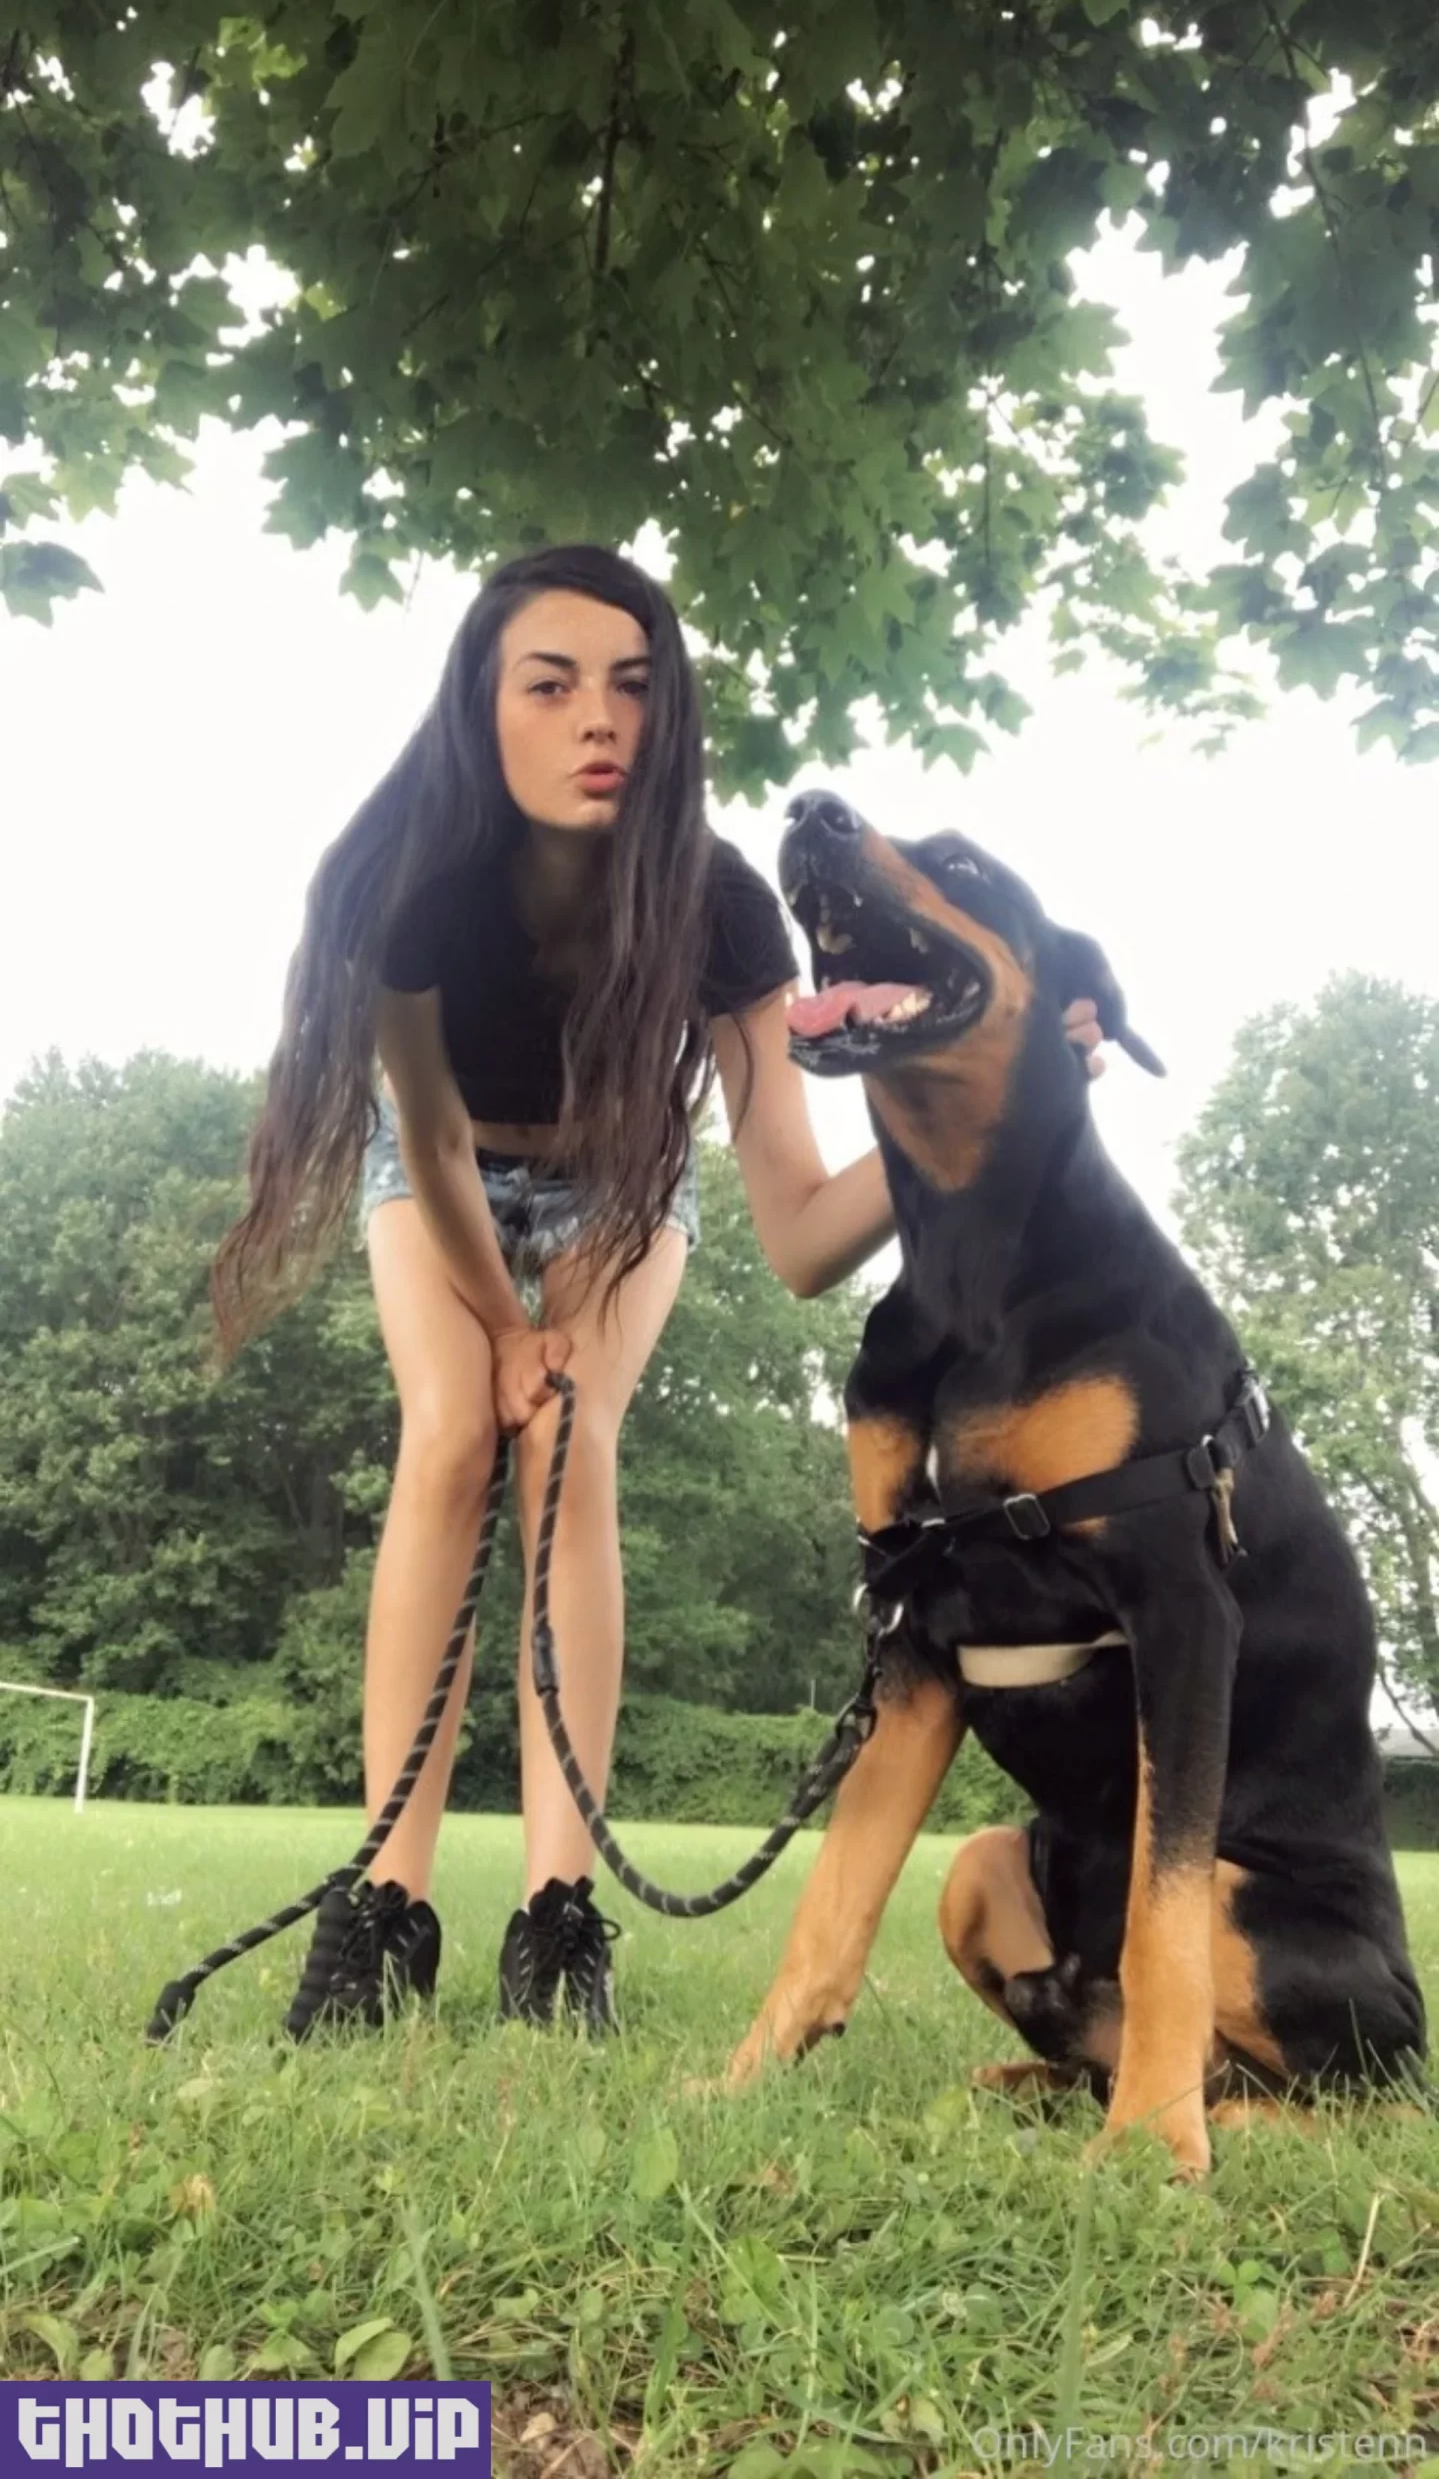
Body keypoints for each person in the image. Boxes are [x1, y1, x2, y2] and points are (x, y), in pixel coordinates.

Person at [212, 544, 1103, 2040]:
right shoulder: (409, 887)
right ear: (480, 708)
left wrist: (1002, 1095)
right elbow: (429, 1139)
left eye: (632, 686)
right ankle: (383, 1910)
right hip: (438, 1171)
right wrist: (506, 1329)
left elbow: (802, 1231)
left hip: (620, 1180)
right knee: (451, 1435)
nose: (598, 719)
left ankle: (560, 1918)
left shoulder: (720, 908)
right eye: (549, 685)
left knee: (572, 1445)